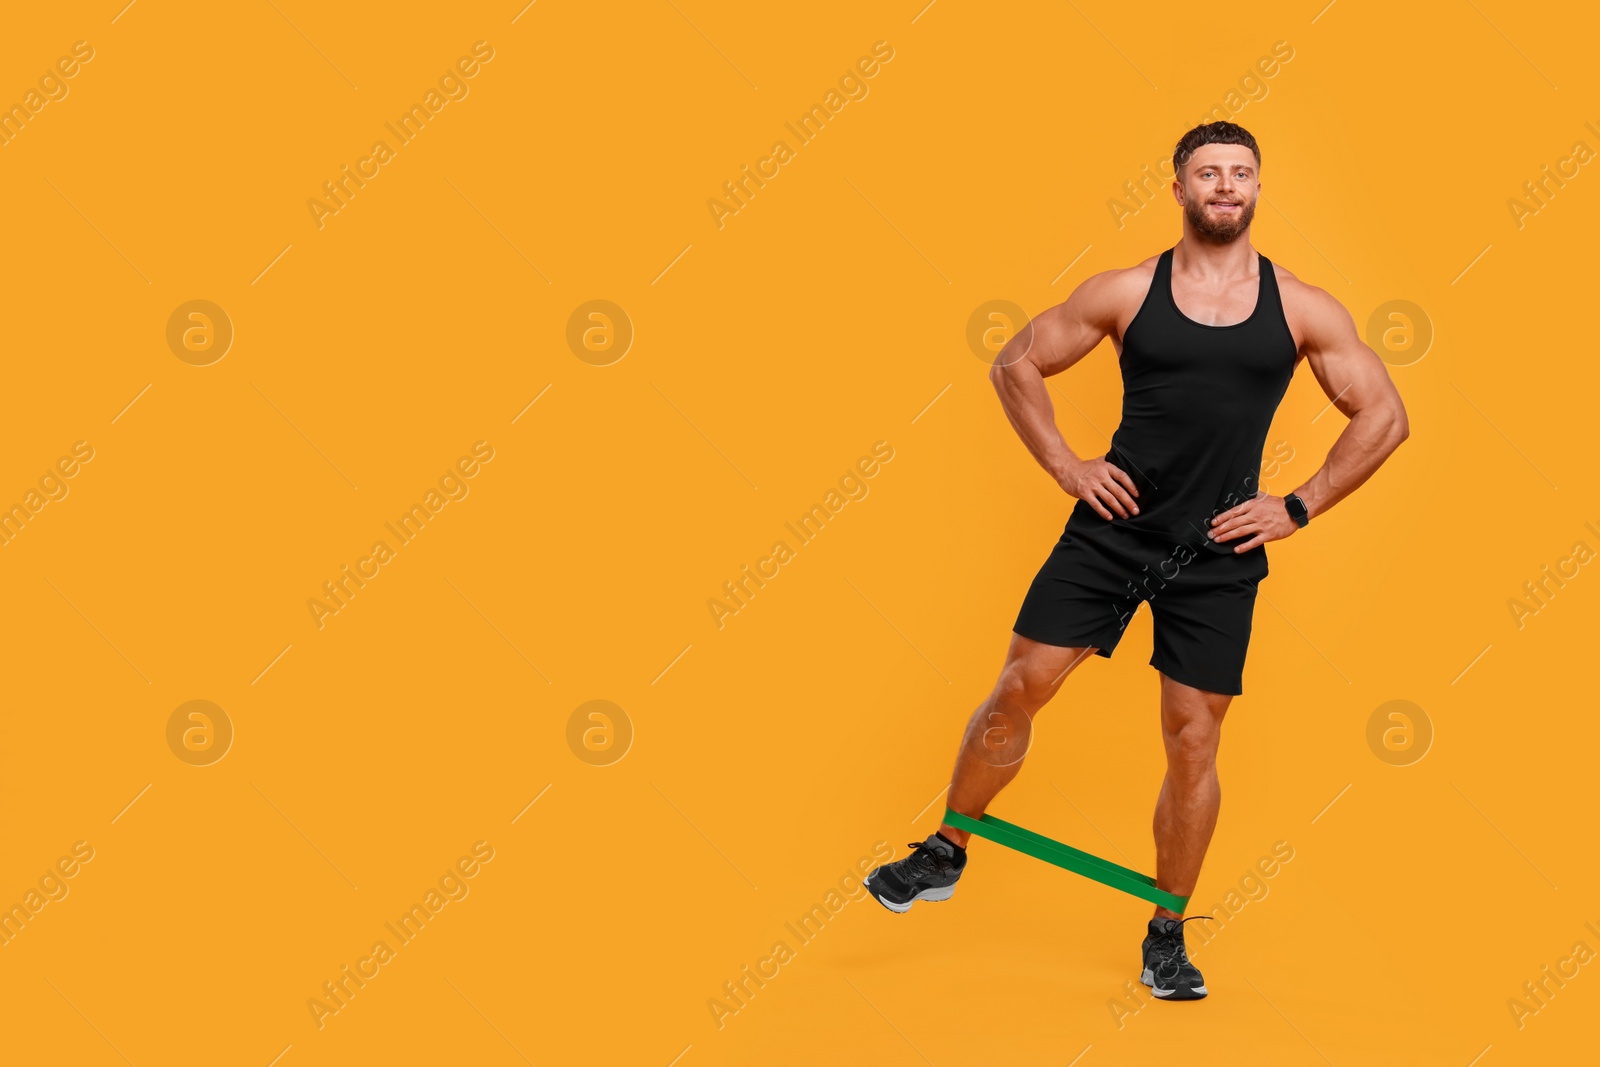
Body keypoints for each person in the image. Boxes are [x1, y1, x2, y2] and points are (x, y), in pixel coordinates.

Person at [865, 121, 1409, 1001]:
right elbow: (1016, 362)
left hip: (1220, 552)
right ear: (1180, 189)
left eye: (1240, 174)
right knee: (1017, 687)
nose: (1225, 186)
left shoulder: (1301, 308)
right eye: (1208, 174)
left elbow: (1384, 415)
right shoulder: (1127, 291)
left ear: (1258, 189)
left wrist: (1298, 503)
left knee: (1193, 741)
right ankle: (946, 847)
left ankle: (1165, 936)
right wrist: (1066, 464)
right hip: (1113, 532)